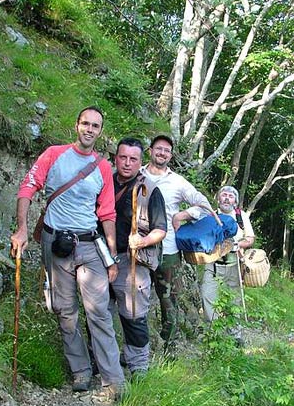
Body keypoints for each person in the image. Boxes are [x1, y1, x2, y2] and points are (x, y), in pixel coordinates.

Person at [10, 106, 126, 403]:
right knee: (64, 309)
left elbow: (107, 212)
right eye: (85, 123)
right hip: (55, 242)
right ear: (77, 125)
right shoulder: (53, 154)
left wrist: (111, 254)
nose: (89, 129)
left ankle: (114, 381)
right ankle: (81, 371)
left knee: (98, 311)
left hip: (89, 244)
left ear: (100, 132)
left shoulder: (102, 167)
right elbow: (28, 188)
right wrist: (22, 229)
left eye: (95, 126)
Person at [141, 134, 213, 343]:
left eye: (167, 150)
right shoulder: (137, 174)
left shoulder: (177, 181)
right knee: (135, 298)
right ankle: (139, 345)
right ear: (150, 150)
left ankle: (168, 345)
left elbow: (204, 204)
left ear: (170, 156)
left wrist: (183, 215)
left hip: (168, 250)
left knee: (169, 301)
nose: (162, 153)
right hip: (139, 247)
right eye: (159, 148)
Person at [109, 137, 167, 376]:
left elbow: (160, 230)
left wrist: (142, 241)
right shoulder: (104, 182)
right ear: (115, 158)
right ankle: (102, 361)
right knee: (99, 313)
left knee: (133, 315)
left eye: (133, 159)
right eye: (123, 157)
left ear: (140, 161)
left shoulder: (150, 190)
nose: (127, 163)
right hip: (101, 257)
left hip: (133, 260)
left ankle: (138, 366)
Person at [173, 185, 255, 326]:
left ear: (235, 201)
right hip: (213, 264)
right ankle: (213, 329)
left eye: (230, 196)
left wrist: (236, 245)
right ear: (218, 199)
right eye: (224, 195)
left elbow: (250, 239)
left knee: (234, 300)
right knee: (207, 294)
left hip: (234, 262)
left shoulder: (241, 216)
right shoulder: (209, 215)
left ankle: (234, 332)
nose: (227, 199)